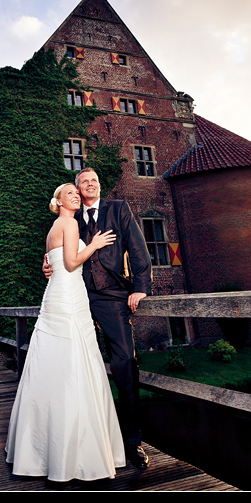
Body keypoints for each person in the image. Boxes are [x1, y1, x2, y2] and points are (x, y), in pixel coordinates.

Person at [6, 183, 125, 481]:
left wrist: (51, 265)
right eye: (69, 193)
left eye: (77, 193)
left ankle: (40, 447)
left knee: (52, 362)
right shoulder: (69, 223)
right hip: (69, 296)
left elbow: (53, 262)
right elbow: (71, 263)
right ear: (58, 202)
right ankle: (77, 449)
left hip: (57, 293)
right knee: (73, 362)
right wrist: (95, 245)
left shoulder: (54, 227)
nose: (75, 195)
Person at [42, 168, 152, 469]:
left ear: (99, 186)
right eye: (83, 182)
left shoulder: (118, 209)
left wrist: (141, 288)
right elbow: (57, 249)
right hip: (76, 295)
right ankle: (77, 436)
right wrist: (47, 265)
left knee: (124, 362)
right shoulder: (71, 215)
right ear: (76, 190)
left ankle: (132, 440)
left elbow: (138, 248)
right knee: (72, 363)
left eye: (94, 180)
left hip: (111, 296)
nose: (88, 185)